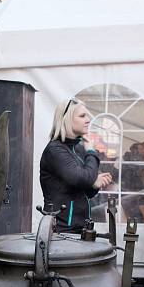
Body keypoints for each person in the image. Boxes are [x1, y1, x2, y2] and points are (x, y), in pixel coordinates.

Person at [39, 98, 113, 232]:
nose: (88, 119)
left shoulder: (77, 148)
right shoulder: (55, 150)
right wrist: (91, 151)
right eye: (82, 116)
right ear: (67, 119)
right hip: (62, 230)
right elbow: (81, 178)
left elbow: (78, 190)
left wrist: (93, 185)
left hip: (80, 227)